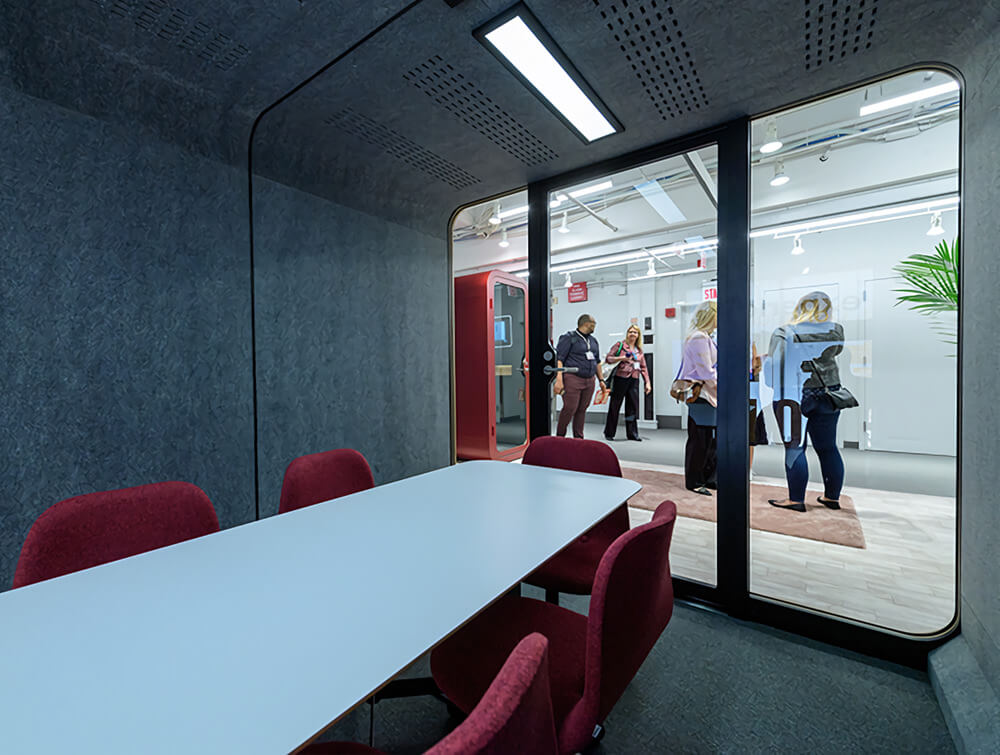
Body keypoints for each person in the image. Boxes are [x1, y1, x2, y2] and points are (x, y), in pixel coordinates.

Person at [764, 291, 846, 512]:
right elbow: (835, 352)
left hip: (794, 394)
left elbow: (775, 366)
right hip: (829, 393)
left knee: (795, 448)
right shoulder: (835, 330)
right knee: (828, 448)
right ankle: (831, 498)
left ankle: (796, 499)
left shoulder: (784, 332)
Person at [678, 301, 718, 495]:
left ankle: (707, 477)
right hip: (701, 394)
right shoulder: (698, 338)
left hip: (707, 394)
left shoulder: (706, 337)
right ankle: (694, 481)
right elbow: (706, 372)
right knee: (699, 440)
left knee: (708, 440)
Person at [554, 314, 607, 439]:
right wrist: (559, 380)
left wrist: (601, 380)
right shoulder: (568, 338)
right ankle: (559, 437)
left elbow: (597, 361)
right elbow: (559, 359)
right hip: (572, 378)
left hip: (589, 380)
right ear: (586, 323)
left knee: (582, 409)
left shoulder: (593, 341)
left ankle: (579, 438)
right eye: (594, 323)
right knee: (570, 408)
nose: (595, 326)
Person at [603, 324, 651, 442]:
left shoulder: (639, 350)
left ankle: (632, 434)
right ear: (627, 333)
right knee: (615, 406)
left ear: (638, 335)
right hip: (620, 378)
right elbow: (608, 358)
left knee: (632, 407)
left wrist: (647, 383)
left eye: (635, 332)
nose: (632, 334)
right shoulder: (620, 345)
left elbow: (644, 368)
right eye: (630, 332)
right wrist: (622, 358)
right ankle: (609, 433)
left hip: (634, 380)